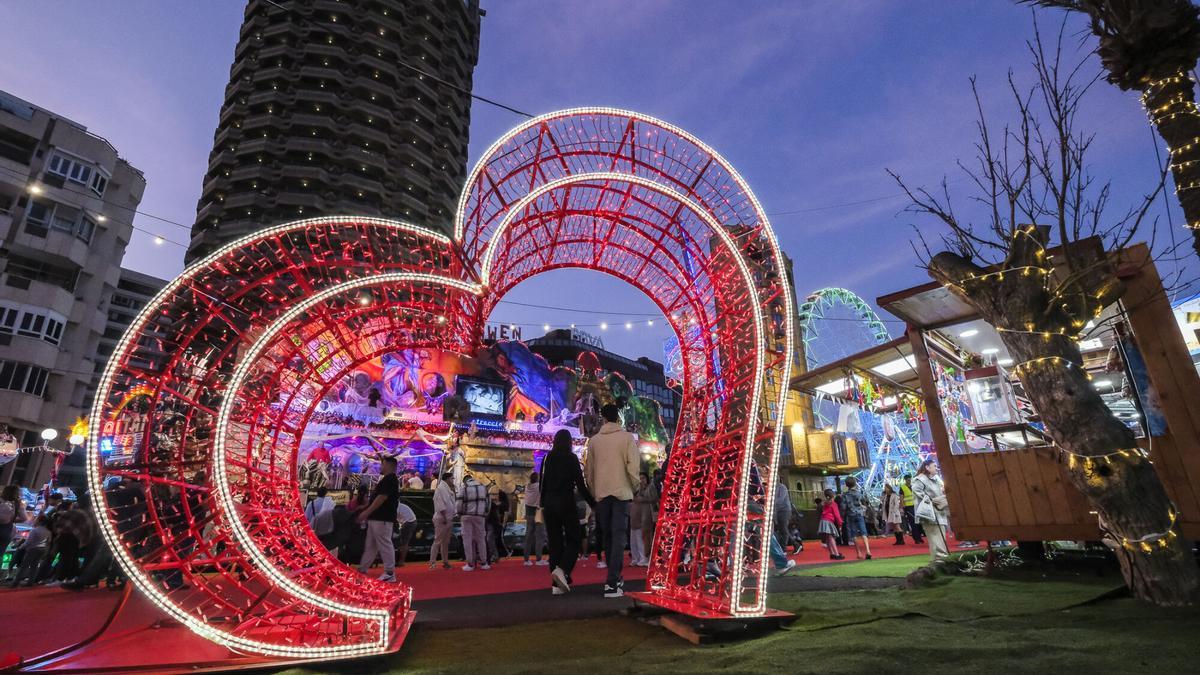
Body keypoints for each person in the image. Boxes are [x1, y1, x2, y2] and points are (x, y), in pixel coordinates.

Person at [584, 403, 640, 598]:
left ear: (604, 419)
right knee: (618, 537)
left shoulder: (594, 441)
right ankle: (613, 581)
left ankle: (612, 579)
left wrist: (594, 490)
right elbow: (633, 468)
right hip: (622, 493)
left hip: (602, 494)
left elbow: (588, 472)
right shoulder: (627, 438)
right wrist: (634, 486)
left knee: (607, 536)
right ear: (618, 418)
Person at [541, 429, 594, 595]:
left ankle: (556, 585)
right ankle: (562, 570)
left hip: (549, 503)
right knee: (575, 538)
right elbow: (580, 484)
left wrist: (543, 503)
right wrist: (593, 502)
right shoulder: (571, 458)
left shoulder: (547, 457)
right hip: (565, 501)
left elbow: (543, 482)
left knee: (555, 542)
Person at [356, 455, 399, 582]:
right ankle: (363, 569)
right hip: (377, 517)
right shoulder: (387, 479)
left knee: (384, 543)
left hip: (383, 517)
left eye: (382, 464)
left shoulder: (390, 479)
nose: (380, 467)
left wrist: (367, 511)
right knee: (371, 545)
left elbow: (382, 498)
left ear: (389, 466)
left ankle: (390, 572)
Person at [912, 459, 951, 562]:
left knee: (940, 537)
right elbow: (918, 494)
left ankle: (940, 559)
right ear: (927, 467)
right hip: (930, 514)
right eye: (934, 466)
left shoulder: (936, 479)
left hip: (939, 512)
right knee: (936, 537)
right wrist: (935, 500)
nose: (936, 468)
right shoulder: (919, 480)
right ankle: (940, 560)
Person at [456, 474, 490, 571]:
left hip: (466, 516)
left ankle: (470, 564)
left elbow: (459, 503)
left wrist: (459, 513)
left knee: (467, 540)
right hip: (480, 516)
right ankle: (484, 563)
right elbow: (488, 502)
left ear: (465, 481)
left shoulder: (464, 488)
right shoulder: (483, 487)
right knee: (481, 539)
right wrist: (485, 513)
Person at [9, 514, 50, 586]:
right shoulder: (48, 532)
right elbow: (48, 542)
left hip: (32, 550)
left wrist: (20, 547)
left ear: (39, 521)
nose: (35, 520)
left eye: (36, 519)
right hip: (42, 550)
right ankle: (31, 581)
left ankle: (15, 582)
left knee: (24, 566)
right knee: (34, 566)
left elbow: (28, 542)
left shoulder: (35, 530)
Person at [841, 477, 872, 560]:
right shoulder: (858, 493)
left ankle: (859, 553)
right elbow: (864, 501)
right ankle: (868, 551)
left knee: (854, 534)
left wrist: (842, 516)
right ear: (855, 483)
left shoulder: (845, 495)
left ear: (846, 485)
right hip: (859, 514)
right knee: (863, 533)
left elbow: (843, 507)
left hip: (850, 515)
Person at [629, 472, 656, 567]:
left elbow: (654, 498)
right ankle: (636, 557)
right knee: (634, 536)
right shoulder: (636, 488)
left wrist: (643, 499)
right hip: (635, 514)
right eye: (639, 478)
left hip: (646, 513)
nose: (641, 480)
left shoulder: (650, 487)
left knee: (644, 535)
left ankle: (645, 557)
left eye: (643, 478)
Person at [522, 472, 548, 566]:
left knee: (528, 537)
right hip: (538, 513)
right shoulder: (539, 487)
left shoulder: (527, 487)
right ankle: (538, 559)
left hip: (528, 513)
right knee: (539, 537)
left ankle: (526, 559)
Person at [430, 472, 455, 569]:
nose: (453, 481)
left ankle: (445, 561)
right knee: (438, 541)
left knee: (445, 542)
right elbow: (440, 503)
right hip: (442, 518)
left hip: (448, 518)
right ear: (448, 479)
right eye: (452, 479)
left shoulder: (447, 489)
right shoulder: (440, 489)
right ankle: (432, 562)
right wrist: (444, 517)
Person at [1, 485, 28, 564]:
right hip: (6, 530)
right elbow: (24, 518)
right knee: (1, 553)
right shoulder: (17, 503)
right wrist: (12, 520)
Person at [817, 490, 844, 560]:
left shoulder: (824, 503)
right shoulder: (834, 504)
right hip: (829, 521)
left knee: (828, 538)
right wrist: (840, 523)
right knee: (831, 538)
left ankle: (832, 553)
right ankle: (836, 554)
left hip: (823, 520)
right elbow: (837, 515)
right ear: (833, 495)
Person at [900, 474, 925, 544]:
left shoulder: (913, 486)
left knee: (919, 522)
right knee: (913, 523)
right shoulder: (902, 487)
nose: (909, 481)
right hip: (908, 507)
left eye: (910, 479)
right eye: (908, 480)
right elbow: (901, 498)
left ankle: (919, 537)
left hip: (916, 506)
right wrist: (903, 507)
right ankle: (916, 538)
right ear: (905, 480)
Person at [395, 499, 417, 566]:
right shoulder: (401, 506)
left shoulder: (396, 507)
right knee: (403, 542)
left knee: (404, 543)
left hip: (408, 522)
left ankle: (401, 561)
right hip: (410, 522)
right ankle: (400, 561)